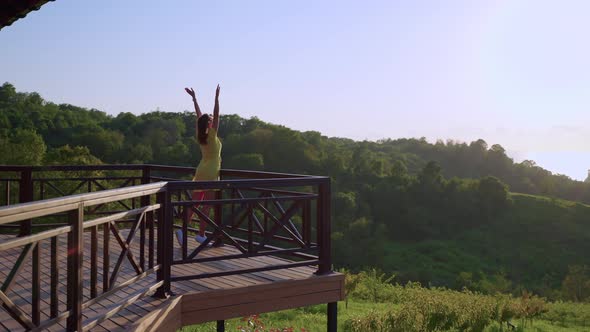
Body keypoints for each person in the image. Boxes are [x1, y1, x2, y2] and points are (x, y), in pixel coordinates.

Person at [176, 84, 222, 246]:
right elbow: (215, 114)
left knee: (195, 202)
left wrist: (194, 98)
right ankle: (201, 234)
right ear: (209, 124)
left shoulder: (200, 134)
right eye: (210, 120)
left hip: (201, 170)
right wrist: (216, 98)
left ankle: (182, 229)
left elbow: (199, 117)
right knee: (207, 205)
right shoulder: (212, 134)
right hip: (211, 173)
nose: (212, 121)